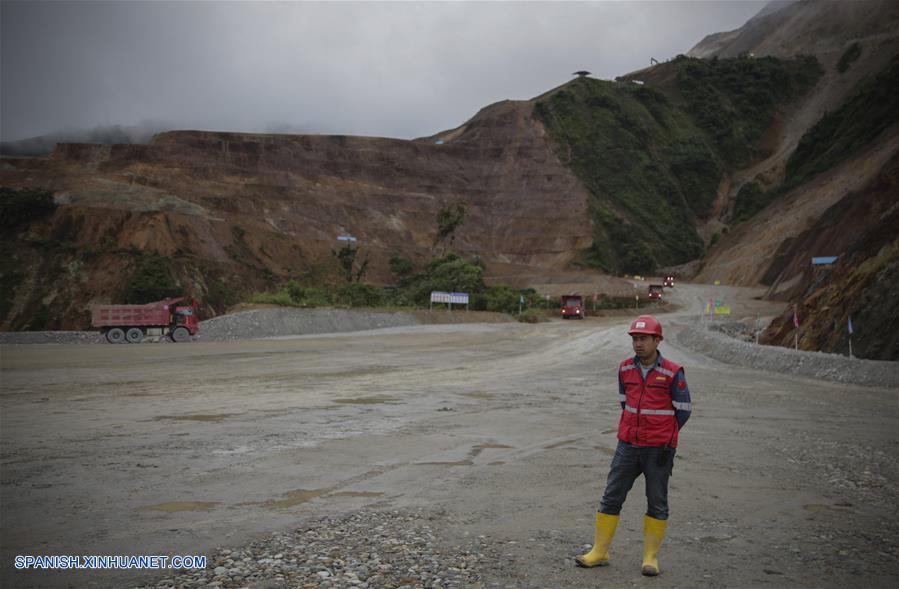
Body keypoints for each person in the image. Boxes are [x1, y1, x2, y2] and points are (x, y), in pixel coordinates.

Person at [575, 314, 692, 576]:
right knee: (611, 496)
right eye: (635, 339)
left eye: (644, 339)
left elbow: (683, 410)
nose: (638, 344)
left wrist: (662, 435)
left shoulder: (673, 372)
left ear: (657, 340)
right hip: (627, 445)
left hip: (658, 449)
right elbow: (624, 401)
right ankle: (600, 551)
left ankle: (650, 558)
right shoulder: (625, 368)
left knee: (657, 501)